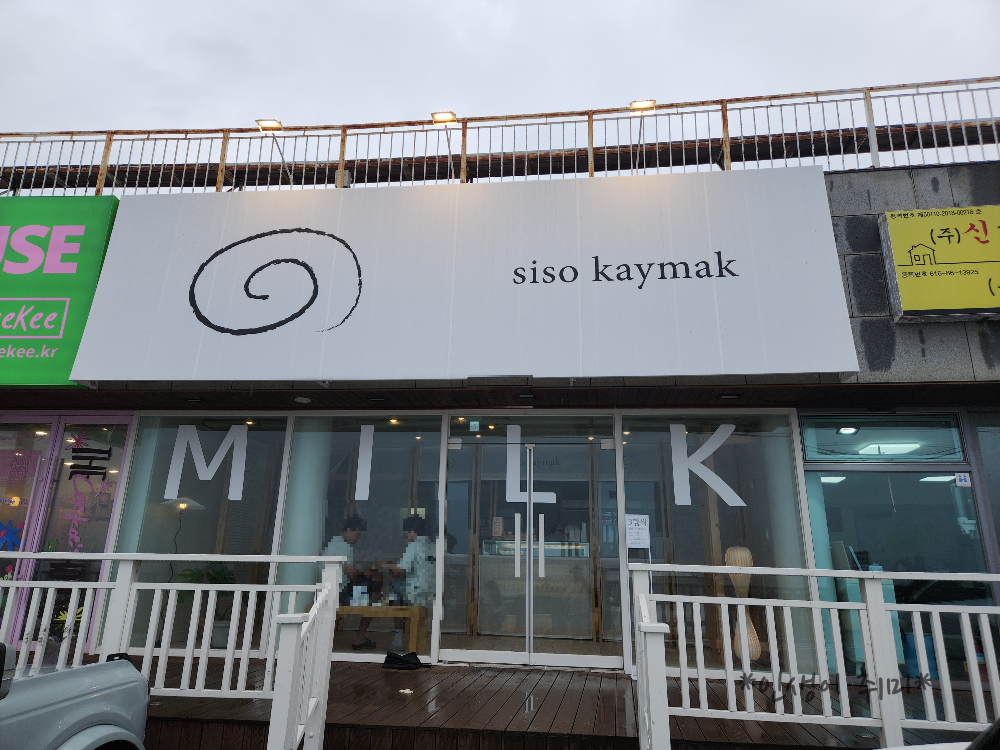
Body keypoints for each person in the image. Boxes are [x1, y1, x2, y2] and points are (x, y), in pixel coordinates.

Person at [323, 515, 377, 650]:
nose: (357, 539)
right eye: (357, 535)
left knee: (367, 583)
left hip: (328, 589)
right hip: (339, 591)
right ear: (349, 530)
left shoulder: (333, 543)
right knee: (375, 589)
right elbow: (351, 574)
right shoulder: (344, 546)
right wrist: (365, 574)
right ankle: (360, 637)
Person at [382, 515, 435, 651]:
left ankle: (397, 640)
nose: (405, 534)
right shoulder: (432, 546)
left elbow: (401, 569)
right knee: (398, 585)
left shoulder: (414, 545)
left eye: (406, 531)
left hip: (414, 591)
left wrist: (385, 565)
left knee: (393, 583)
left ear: (412, 530)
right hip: (429, 592)